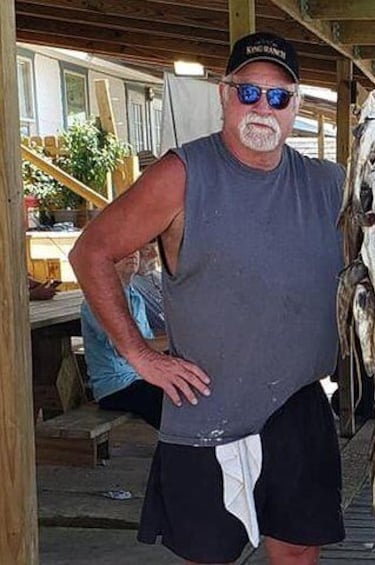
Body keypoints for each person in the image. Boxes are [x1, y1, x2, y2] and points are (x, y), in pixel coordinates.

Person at [69, 32, 345, 564]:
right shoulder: (183, 174)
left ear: (297, 106)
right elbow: (92, 251)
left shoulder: (328, 182)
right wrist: (138, 353)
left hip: (298, 404)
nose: (263, 107)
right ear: (224, 94)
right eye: (249, 93)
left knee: (298, 550)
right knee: (209, 555)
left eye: (279, 96)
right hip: (207, 406)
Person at [81, 250, 164, 429]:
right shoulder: (97, 300)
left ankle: (171, 453)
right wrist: (175, 339)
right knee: (170, 402)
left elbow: (149, 346)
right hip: (116, 386)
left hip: (141, 378)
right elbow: (129, 350)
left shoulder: (136, 297)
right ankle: (173, 453)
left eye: (134, 249)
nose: (132, 253)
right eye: (123, 250)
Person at [131, 241, 166, 336]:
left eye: (155, 248)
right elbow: (143, 335)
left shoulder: (159, 276)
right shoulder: (129, 285)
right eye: (147, 249)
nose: (155, 255)